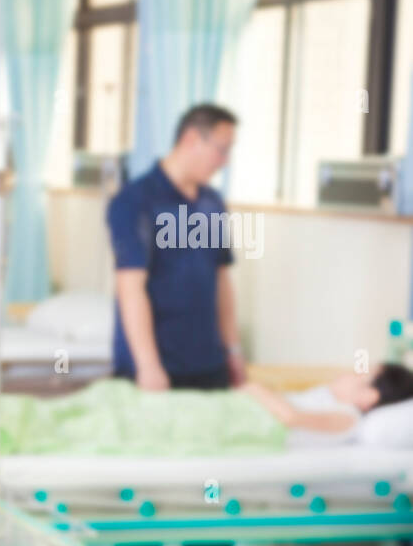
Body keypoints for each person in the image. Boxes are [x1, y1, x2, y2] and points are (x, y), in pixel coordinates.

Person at [109, 103, 245, 392]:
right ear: (191, 139)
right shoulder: (135, 201)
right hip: (155, 367)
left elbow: (221, 280)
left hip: (209, 364)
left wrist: (232, 349)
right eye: (221, 149)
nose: (225, 161)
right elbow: (130, 288)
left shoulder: (212, 202)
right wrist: (148, 365)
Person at [240, 362, 413, 438]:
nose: (348, 372)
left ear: (369, 396)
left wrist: (256, 389)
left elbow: (291, 417)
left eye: (359, 374)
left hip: (251, 422)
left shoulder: (349, 418)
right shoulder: (328, 397)